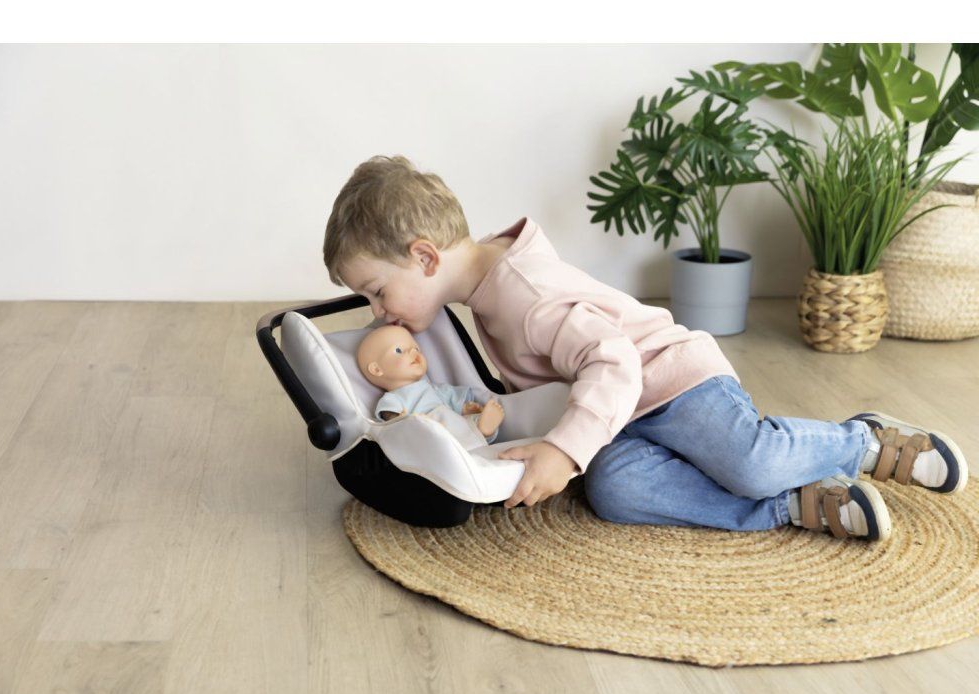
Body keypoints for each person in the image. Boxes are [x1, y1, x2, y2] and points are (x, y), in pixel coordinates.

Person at [321, 155, 969, 541]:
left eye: (377, 292)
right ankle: (791, 506)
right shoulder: (479, 279)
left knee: (751, 461)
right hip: (617, 413)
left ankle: (864, 442)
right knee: (617, 493)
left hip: (670, 380)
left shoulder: (524, 295)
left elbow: (615, 361)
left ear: (425, 256)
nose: (378, 312)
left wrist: (563, 450)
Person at [356, 323, 504, 444]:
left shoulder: (435, 388)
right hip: (427, 430)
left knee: (463, 421)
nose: (414, 353)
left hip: (449, 422)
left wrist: (465, 408)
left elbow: (453, 400)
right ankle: (479, 433)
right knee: (432, 430)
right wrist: (402, 421)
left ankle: (483, 430)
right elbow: (390, 421)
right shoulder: (393, 398)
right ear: (377, 369)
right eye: (399, 350)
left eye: (416, 349)